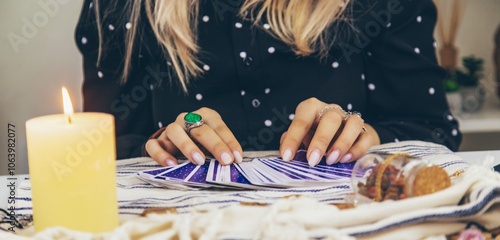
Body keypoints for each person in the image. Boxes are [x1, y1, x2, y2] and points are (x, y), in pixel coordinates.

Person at [75, 0, 462, 168]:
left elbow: (432, 132)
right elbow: (94, 150)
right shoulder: (122, 7)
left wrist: (364, 135)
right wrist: (162, 141)